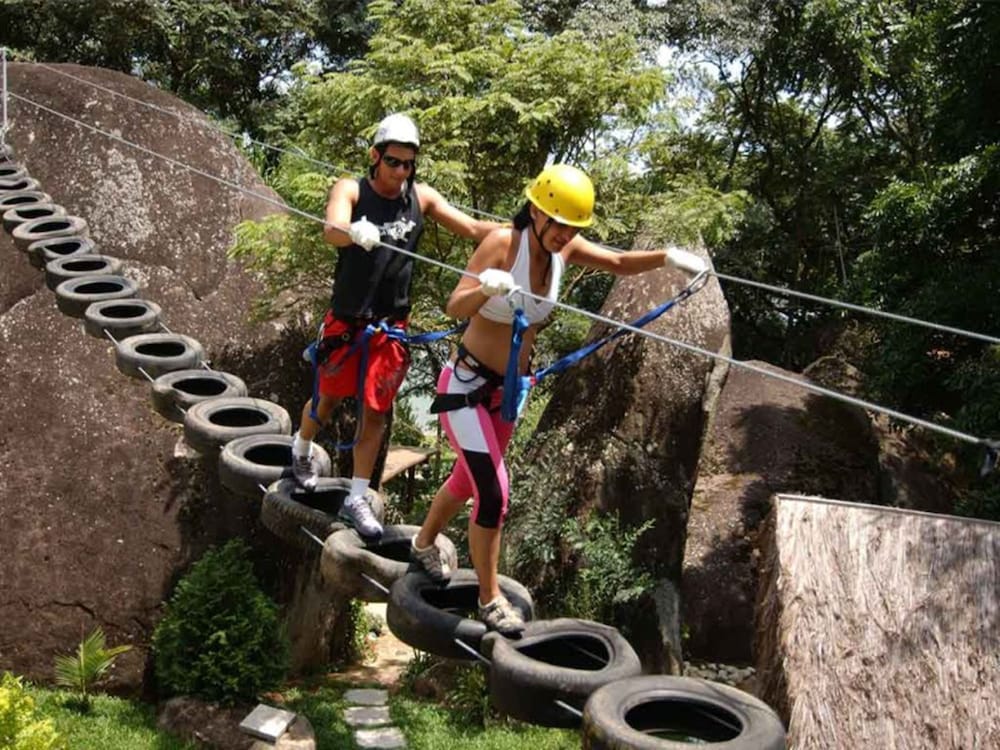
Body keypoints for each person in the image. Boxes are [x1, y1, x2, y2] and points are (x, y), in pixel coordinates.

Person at [409, 163, 707, 635]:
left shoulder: (563, 250)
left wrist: (668, 258)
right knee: (494, 493)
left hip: (507, 393)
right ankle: (489, 599)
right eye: (557, 222)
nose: (564, 233)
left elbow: (616, 262)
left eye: (572, 227)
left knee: (468, 479)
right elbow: (455, 305)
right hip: (465, 388)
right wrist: (486, 286)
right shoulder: (504, 245)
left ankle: (424, 542)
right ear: (536, 211)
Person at [292, 113, 500, 539]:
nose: (401, 171)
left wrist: (531, 237)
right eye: (394, 162)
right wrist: (353, 231)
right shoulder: (352, 189)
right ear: (375, 156)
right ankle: (300, 448)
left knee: (376, 412)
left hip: (391, 328)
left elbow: (476, 229)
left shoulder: (420, 199)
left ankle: (358, 495)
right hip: (347, 323)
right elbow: (331, 228)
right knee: (327, 401)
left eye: (409, 164)